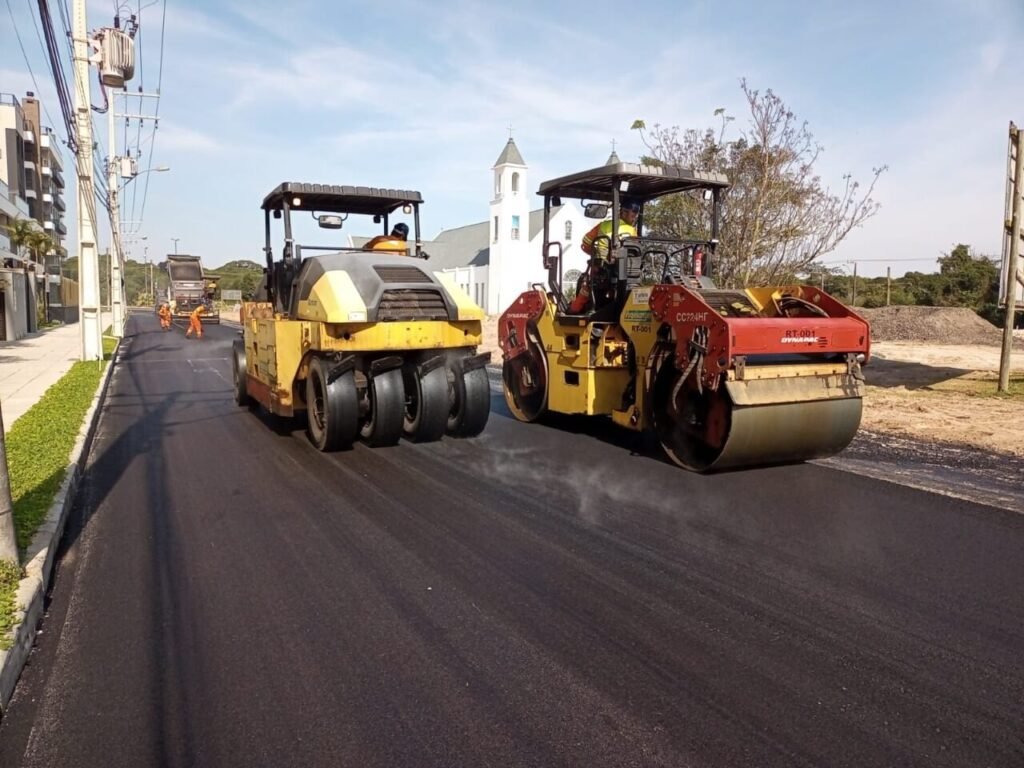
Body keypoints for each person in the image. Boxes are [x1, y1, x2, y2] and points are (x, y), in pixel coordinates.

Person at [569, 198, 641, 313]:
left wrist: (594, 254)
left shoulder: (604, 225)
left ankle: (574, 310)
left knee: (587, 286)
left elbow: (586, 242)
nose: (634, 217)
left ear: (622, 212)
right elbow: (636, 252)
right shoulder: (632, 232)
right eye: (634, 215)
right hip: (628, 272)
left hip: (603, 269)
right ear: (626, 213)